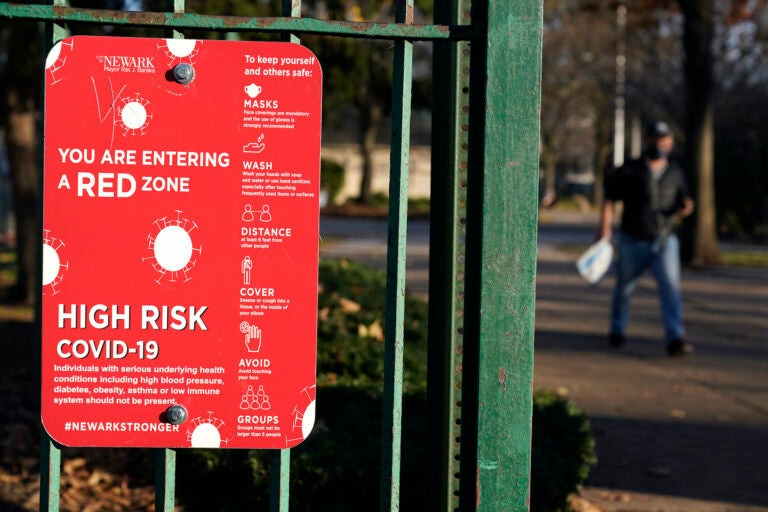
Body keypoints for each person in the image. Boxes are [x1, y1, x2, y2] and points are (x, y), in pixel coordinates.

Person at [597, 121, 695, 356]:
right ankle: (617, 330)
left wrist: (686, 209)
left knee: (671, 289)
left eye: (665, 141)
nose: (661, 145)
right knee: (624, 288)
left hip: (664, 240)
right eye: (657, 141)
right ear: (648, 141)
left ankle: (675, 337)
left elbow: (684, 202)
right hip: (633, 239)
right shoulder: (631, 169)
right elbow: (610, 198)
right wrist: (605, 228)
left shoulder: (676, 172)